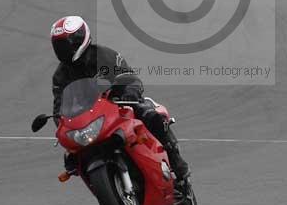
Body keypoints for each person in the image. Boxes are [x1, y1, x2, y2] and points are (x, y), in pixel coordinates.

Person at [50, 15, 191, 185]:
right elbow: (59, 106)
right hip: (90, 119)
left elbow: (129, 77)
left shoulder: (102, 56)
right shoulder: (60, 76)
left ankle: (176, 161)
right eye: (59, 45)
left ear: (80, 39)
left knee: (151, 115)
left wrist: (129, 92)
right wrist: (61, 121)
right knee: (71, 157)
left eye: (66, 44)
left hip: (118, 105)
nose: (63, 50)